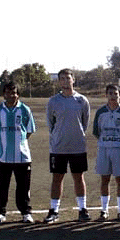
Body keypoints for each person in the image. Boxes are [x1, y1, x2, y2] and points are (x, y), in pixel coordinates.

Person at [0, 82, 36, 224]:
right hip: (3, 156)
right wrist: (1, 144)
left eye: (14, 93)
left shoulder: (25, 110)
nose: (11, 95)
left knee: (23, 187)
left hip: (22, 156)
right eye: (8, 92)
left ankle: (26, 212)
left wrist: (18, 142)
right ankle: (0, 213)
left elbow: (29, 130)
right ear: (4, 94)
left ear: (18, 94)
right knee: (1, 186)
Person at [44, 68, 91, 223]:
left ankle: (82, 209)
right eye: (62, 78)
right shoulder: (53, 101)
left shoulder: (82, 101)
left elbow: (85, 123)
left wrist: (76, 134)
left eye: (68, 78)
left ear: (73, 79)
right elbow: (51, 124)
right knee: (57, 178)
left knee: (79, 177)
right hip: (59, 147)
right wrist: (59, 135)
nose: (65, 81)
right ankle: (54, 210)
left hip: (78, 146)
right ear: (59, 81)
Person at [92, 84, 120, 222]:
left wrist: (118, 140)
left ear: (119, 95)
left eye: (115, 93)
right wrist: (107, 141)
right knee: (105, 179)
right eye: (110, 93)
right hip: (104, 149)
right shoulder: (100, 112)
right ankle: (104, 211)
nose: (113, 96)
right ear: (106, 95)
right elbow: (96, 132)